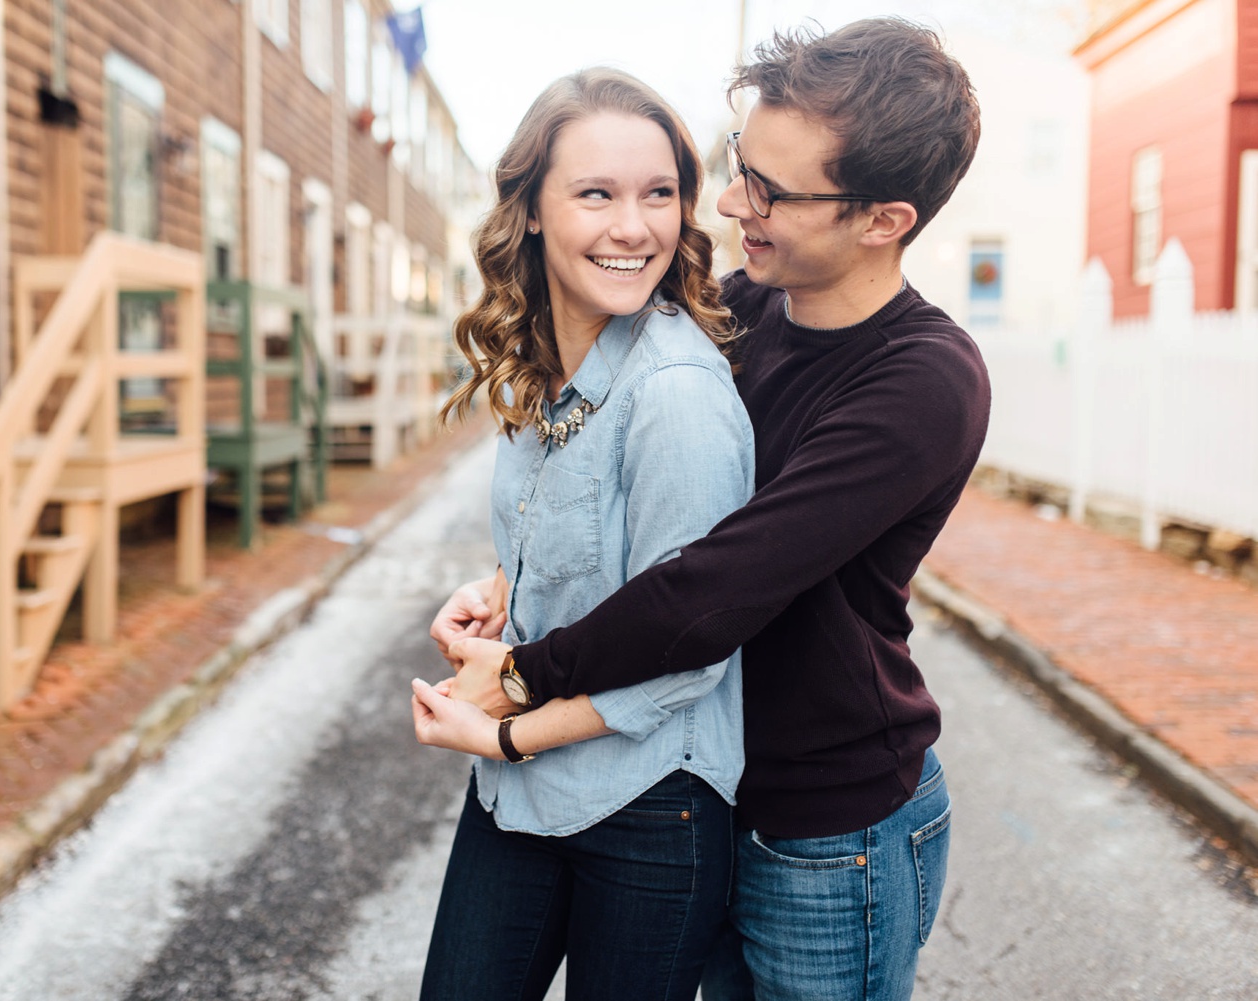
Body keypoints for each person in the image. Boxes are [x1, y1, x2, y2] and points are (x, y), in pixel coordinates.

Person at [435, 18, 990, 1001]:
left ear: (883, 219)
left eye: (772, 190)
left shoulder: (923, 380)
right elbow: (621, 498)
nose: (731, 202)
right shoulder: (742, 310)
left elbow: (711, 589)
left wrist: (515, 686)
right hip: (704, 784)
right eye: (742, 166)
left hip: (826, 828)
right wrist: (506, 583)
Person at [408, 68, 755, 1001]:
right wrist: (494, 590)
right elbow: (578, 542)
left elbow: (690, 655)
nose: (633, 227)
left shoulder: (676, 395)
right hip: (520, 793)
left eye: (659, 194)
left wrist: (505, 734)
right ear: (529, 210)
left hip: (650, 804)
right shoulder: (546, 364)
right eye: (596, 193)